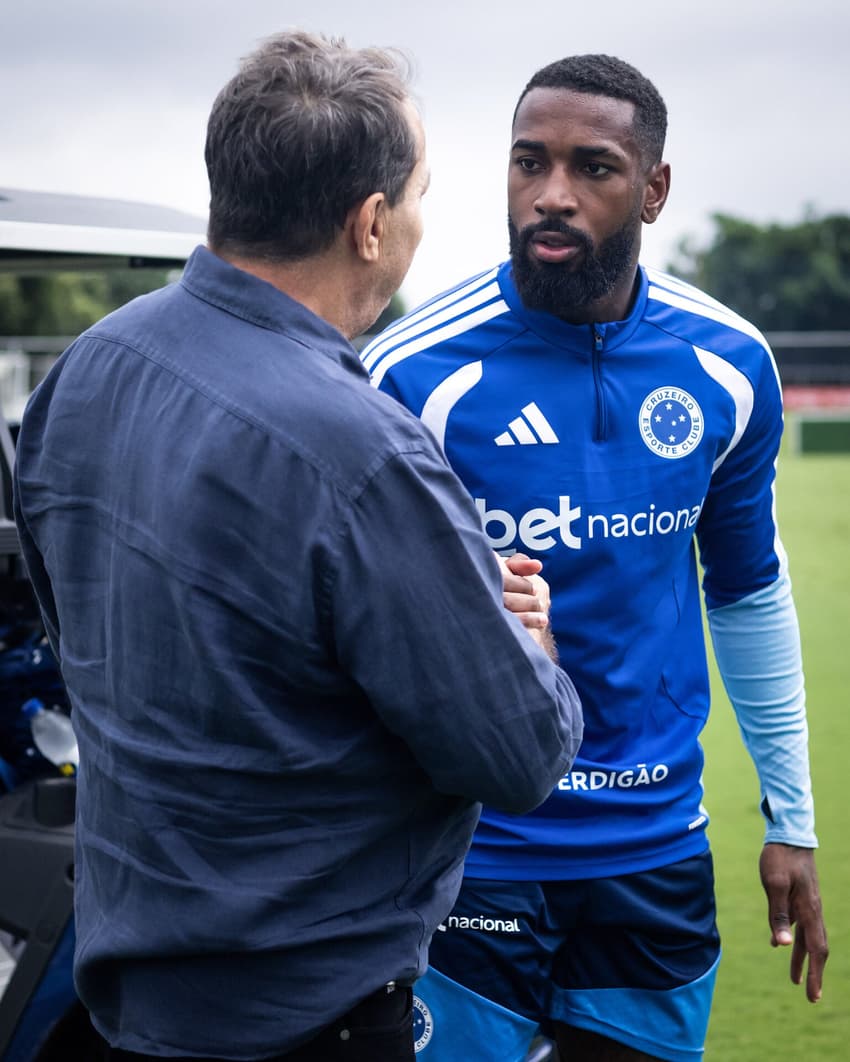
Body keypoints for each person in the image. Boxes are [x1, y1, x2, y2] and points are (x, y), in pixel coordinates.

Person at [11, 32, 584, 1062]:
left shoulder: (85, 372)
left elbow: (94, 638)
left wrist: (429, 607)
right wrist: (517, 640)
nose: (417, 219)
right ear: (371, 224)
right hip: (302, 1018)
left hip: (120, 1002)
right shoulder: (361, 452)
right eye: (417, 194)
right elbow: (518, 755)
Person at [362, 53, 829, 1062]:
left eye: (594, 167)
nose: (551, 195)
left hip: (654, 855)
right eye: (528, 163)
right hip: (469, 853)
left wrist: (790, 818)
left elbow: (747, 592)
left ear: (653, 189)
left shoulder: (728, 364)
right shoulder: (408, 373)